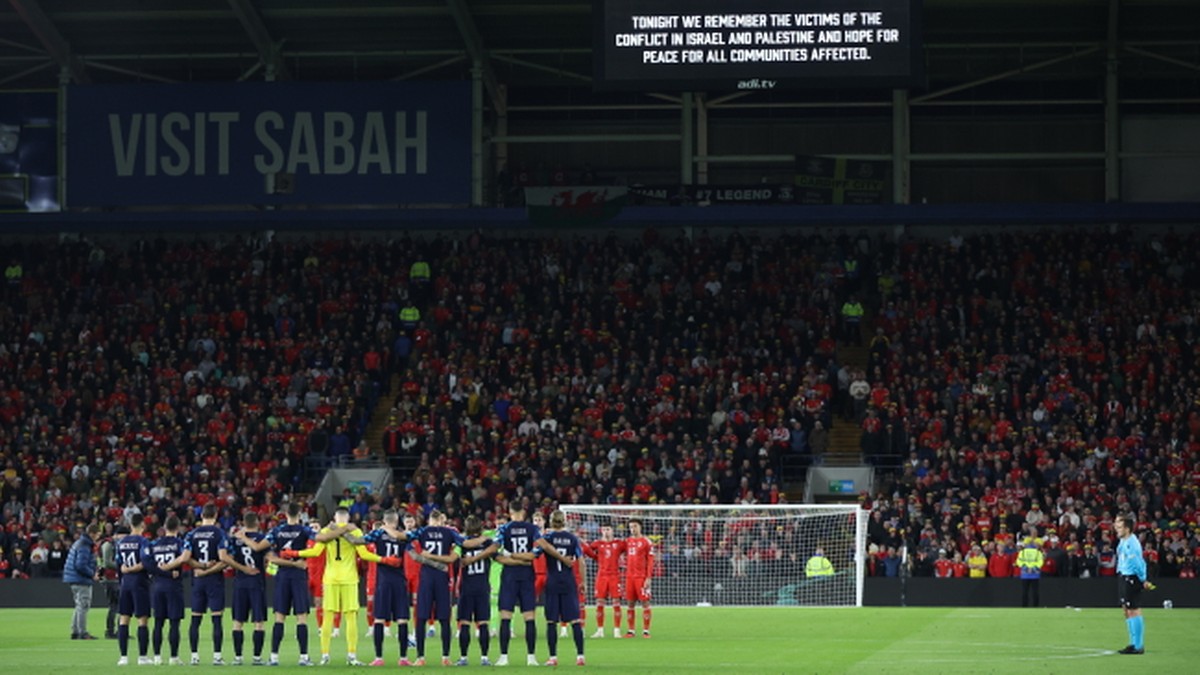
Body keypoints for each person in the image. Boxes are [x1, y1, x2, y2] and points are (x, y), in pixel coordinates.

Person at [283, 507, 401, 666]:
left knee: (328, 617)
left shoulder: (326, 530)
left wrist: (294, 553)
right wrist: (384, 560)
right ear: (348, 518)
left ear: (334, 517)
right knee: (351, 617)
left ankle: (325, 656)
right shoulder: (356, 532)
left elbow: (315, 552)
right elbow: (365, 555)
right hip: (349, 578)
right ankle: (351, 656)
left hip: (331, 578)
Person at [356, 510, 417, 666]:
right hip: (399, 581)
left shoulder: (377, 534)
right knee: (402, 619)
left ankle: (378, 658)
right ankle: (403, 658)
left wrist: (343, 531)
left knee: (379, 619)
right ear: (397, 522)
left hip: (383, 581)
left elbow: (359, 541)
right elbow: (413, 553)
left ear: (384, 521)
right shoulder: (403, 536)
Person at [262, 502, 317, 666]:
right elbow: (319, 539)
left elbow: (264, 549)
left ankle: (273, 657)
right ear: (299, 514)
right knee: (302, 618)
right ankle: (304, 657)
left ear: (285, 514)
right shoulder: (305, 530)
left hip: (282, 576)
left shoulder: (277, 530)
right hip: (299, 575)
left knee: (279, 617)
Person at [409, 510, 463, 666]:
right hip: (442, 579)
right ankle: (446, 657)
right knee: (445, 619)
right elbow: (463, 542)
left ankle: (420, 658)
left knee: (421, 619)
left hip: (426, 578)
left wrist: (422, 557)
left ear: (429, 520)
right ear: (440, 520)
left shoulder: (422, 531)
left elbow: (408, 546)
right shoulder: (449, 532)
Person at [178, 503, 229, 665]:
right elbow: (223, 559)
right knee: (216, 619)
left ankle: (194, 656)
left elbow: (185, 558)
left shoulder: (191, 534)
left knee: (195, 620)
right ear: (216, 515)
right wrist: (209, 568)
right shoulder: (220, 533)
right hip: (214, 580)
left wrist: (200, 567)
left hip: (198, 580)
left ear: (202, 516)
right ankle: (217, 657)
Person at [494, 502, 543, 666]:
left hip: (509, 575)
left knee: (506, 616)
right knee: (529, 617)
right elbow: (537, 552)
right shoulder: (532, 529)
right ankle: (531, 657)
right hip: (527, 574)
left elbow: (495, 554)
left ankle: (503, 657)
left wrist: (511, 558)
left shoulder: (503, 529)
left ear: (509, 512)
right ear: (523, 512)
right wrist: (523, 559)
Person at [220, 512, 269, 666]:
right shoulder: (262, 539)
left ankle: (238, 657)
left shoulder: (235, 539)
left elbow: (227, 558)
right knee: (259, 622)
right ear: (257, 523)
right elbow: (269, 559)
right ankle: (257, 658)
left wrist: (241, 568)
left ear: (244, 523)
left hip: (240, 582)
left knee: (237, 621)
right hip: (257, 583)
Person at [538, 510, 586, 667]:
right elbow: (581, 561)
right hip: (568, 581)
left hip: (552, 581)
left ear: (551, 522)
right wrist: (583, 582)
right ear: (564, 521)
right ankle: (580, 656)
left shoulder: (547, 538)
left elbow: (535, 554)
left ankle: (553, 657)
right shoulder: (572, 538)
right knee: (575, 620)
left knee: (551, 621)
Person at [454, 515, 499, 666]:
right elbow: (497, 554)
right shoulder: (487, 542)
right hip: (482, 586)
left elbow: (455, 558)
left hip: (466, 587)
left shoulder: (462, 544)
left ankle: (463, 658)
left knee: (465, 623)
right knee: (483, 623)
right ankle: (484, 658)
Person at [146, 516, 186, 665]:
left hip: (157, 586)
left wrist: (161, 572)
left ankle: (156, 657)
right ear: (178, 527)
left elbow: (148, 565)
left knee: (158, 622)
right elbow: (186, 558)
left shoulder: (154, 544)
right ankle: (173, 657)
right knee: (174, 623)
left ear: (164, 527)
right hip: (173, 586)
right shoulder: (180, 543)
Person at [115, 513, 153, 666]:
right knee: (142, 620)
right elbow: (146, 563)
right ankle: (142, 657)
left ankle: (123, 657)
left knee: (124, 619)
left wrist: (124, 574)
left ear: (130, 526)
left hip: (125, 584)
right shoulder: (144, 542)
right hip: (139, 583)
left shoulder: (121, 542)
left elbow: (119, 564)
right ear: (142, 526)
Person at [1116, 514, 1151, 655]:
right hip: (1124, 576)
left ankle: (1138, 645)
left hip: (1132, 578)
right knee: (1126, 609)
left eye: (1120, 527)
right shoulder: (1123, 541)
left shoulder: (1132, 543)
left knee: (1134, 609)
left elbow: (1139, 563)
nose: (1117, 529)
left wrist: (1143, 579)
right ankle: (1132, 643)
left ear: (1127, 528)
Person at [63, 523, 101, 640]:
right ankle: (82, 632)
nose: (98, 537)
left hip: (73, 578)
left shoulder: (80, 542)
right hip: (80, 579)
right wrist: (92, 574)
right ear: (92, 534)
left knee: (79, 605)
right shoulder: (85, 545)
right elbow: (80, 565)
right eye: (97, 534)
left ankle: (75, 631)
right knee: (83, 606)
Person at [587, 525, 624, 638]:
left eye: (608, 529)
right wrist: (596, 557)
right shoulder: (597, 543)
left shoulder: (619, 543)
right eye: (603, 530)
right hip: (601, 576)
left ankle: (617, 630)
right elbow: (587, 550)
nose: (606, 532)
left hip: (614, 575)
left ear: (612, 530)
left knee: (616, 602)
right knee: (599, 603)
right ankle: (600, 630)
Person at [623, 518, 655, 638]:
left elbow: (651, 561)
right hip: (629, 577)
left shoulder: (646, 541)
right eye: (631, 527)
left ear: (640, 527)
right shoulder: (627, 541)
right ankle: (631, 631)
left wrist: (648, 577)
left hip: (641, 577)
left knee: (645, 602)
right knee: (630, 603)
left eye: (635, 526)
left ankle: (646, 631)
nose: (633, 529)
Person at [1016, 538, 1044, 608]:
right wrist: (1033, 568)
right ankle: (1036, 607)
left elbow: (1019, 562)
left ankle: (1024, 606)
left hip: (1025, 574)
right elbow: (1040, 562)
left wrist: (1026, 568)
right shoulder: (1038, 552)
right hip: (1035, 574)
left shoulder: (1022, 552)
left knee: (1025, 592)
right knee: (1035, 592)